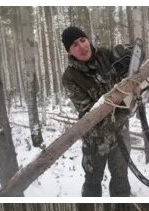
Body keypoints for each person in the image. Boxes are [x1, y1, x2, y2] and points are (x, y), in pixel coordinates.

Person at [61, 26, 132, 197]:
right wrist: (118, 99)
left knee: (121, 179)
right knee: (92, 182)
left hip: (121, 131)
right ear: (69, 52)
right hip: (95, 140)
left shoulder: (105, 55)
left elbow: (131, 52)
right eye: (75, 45)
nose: (82, 47)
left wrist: (128, 57)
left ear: (89, 39)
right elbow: (88, 110)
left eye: (83, 40)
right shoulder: (70, 77)